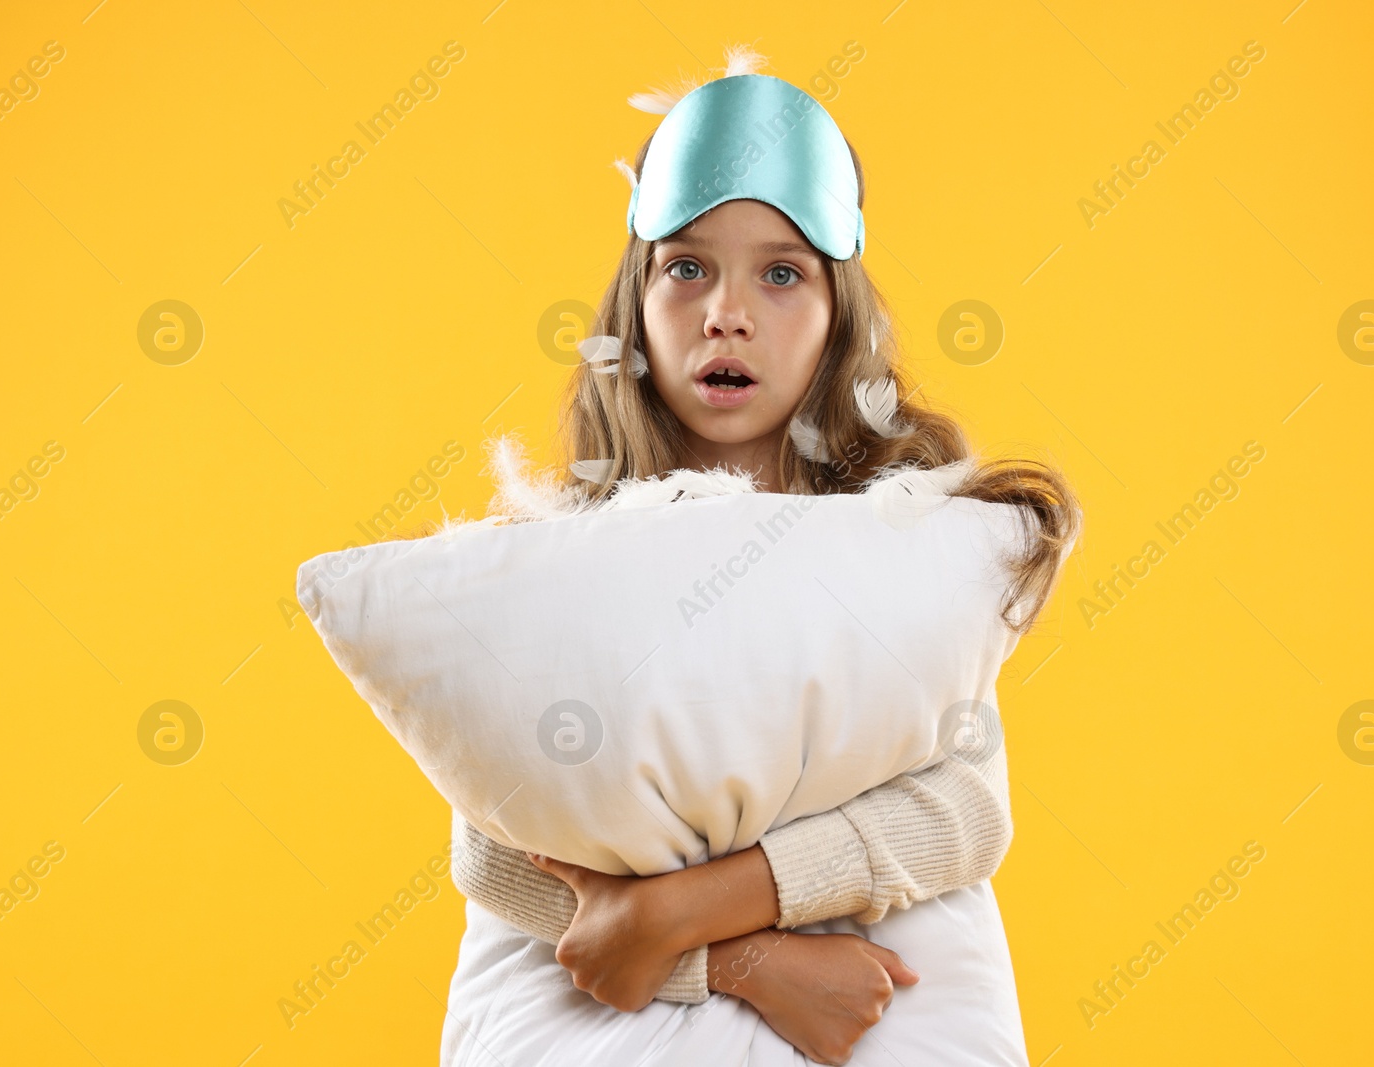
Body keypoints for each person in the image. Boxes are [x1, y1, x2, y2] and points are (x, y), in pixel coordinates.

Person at [437, 45, 1082, 1067]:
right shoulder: (559, 552)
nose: (724, 311)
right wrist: (746, 964)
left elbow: (960, 807)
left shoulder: (899, 547)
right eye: (685, 267)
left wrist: (678, 912)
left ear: (835, 323)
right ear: (636, 311)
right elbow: (493, 842)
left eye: (780, 273)